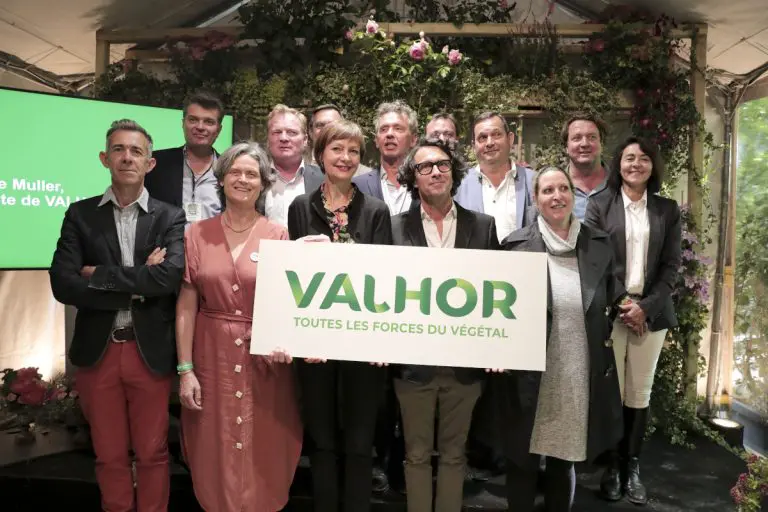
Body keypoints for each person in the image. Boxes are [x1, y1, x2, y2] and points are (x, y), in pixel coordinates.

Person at [49, 119, 186, 512]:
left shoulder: (170, 217)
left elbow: (168, 279)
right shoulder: (80, 215)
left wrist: (99, 276)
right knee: (109, 455)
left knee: (153, 453)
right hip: (99, 351)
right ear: (104, 158)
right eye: (119, 150)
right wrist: (139, 282)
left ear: (150, 163)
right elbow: (63, 284)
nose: (127, 157)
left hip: (149, 351)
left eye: (136, 151)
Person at [175, 142, 302, 511]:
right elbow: (186, 305)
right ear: (222, 178)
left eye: (251, 174)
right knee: (211, 439)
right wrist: (185, 369)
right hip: (210, 354)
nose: (243, 179)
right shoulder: (196, 234)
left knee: (266, 439)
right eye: (235, 172)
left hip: (263, 358)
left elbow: (286, 301)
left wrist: (284, 341)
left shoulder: (277, 234)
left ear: (263, 183)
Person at [497, 166, 624, 512]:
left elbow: (611, 294)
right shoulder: (514, 247)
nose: (557, 196)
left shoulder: (598, 244)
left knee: (563, 457)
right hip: (528, 374)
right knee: (522, 460)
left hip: (577, 370)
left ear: (572, 194)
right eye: (547, 190)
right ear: (535, 200)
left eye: (563, 189)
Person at [287, 120, 393, 511]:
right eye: (337, 149)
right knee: (323, 442)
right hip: (314, 345)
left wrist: (379, 341)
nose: (345, 157)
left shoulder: (376, 211)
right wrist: (302, 339)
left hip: (362, 345)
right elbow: (294, 278)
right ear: (320, 155)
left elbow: (384, 280)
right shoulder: (301, 207)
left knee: (360, 443)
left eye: (352, 151)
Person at [392, 137, 499, 512]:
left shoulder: (483, 226)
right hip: (413, 367)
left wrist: (499, 349)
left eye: (442, 164)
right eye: (425, 167)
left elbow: (495, 293)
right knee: (416, 455)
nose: (435, 171)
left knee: (456, 456)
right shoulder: (394, 228)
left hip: (464, 366)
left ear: (454, 172)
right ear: (413, 177)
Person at [585, 137, 681, 506]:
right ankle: (611, 466)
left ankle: (632, 467)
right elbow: (596, 261)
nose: (635, 164)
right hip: (613, 312)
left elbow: (671, 266)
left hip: (651, 316)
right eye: (629, 158)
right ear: (618, 164)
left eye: (643, 158)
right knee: (614, 393)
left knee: (639, 393)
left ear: (653, 166)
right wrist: (625, 304)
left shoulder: (667, 210)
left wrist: (646, 308)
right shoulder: (599, 206)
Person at [454, 111, 536, 242]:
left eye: (496, 134)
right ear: (474, 146)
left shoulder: (534, 181)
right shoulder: (459, 185)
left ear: (510, 139)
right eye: (482, 137)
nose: (490, 142)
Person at [145, 90, 225, 223]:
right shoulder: (155, 164)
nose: (200, 127)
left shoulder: (229, 170)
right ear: (183, 123)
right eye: (193, 120)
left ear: (218, 130)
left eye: (208, 122)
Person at [264, 104, 324, 227]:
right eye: (277, 132)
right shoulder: (255, 178)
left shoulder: (324, 180)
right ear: (268, 138)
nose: (283, 138)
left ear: (305, 140)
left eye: (291, 132)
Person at [353, 100, 418, 212]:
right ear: (376, 141)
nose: (389, 134)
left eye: (398, 128)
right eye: (383, 129)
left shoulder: (426, 183)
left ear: (413, 140)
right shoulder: (357, 186)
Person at [562, 112, 609, 220]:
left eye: (592, 137)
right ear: (566, 147)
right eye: (576, 138)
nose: (584, 144)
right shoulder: (552, 190)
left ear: (601, 144)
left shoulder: (621, 185)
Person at [308, 104, 372, 176]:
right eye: (320, 125)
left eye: (333, 125)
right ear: (310, 132)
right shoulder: (299, 171)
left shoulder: (367, 176)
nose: (326, 130)